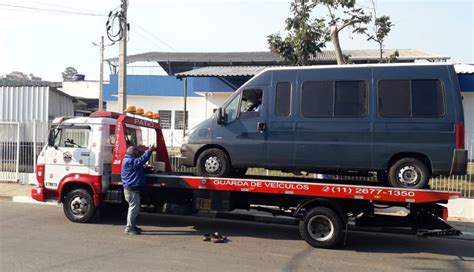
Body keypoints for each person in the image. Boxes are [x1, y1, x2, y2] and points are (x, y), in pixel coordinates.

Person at [121, 144, 154, 235]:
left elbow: (139, 164)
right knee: (133, 209)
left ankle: (132, 226)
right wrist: (149, 151)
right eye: (136, 152)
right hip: (131, 190)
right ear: (133, 153)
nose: (138, 154)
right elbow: (141, 160)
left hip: (131, 189)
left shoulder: (127, 160)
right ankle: (129, 227)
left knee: (134, 209)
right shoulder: (129, 161)